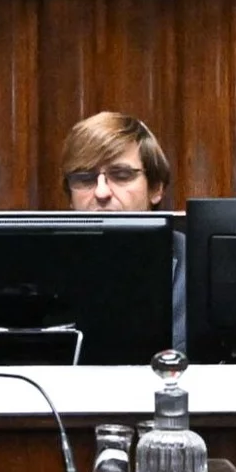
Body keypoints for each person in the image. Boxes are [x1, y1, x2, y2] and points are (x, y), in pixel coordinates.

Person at [61, 110, 185, 351]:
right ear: (70, 196)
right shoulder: (43, 269)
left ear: (156, 187)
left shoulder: (197, 266)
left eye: (121, 175)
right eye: (85, 179)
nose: (101, 193)